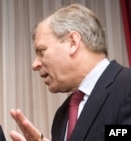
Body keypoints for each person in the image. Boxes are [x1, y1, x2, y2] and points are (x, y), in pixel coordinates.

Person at [10, 4, 131, 141]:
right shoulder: (62, 114)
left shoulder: (127, 86)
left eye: (41, 51)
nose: (35, 64)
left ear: (72, 42)